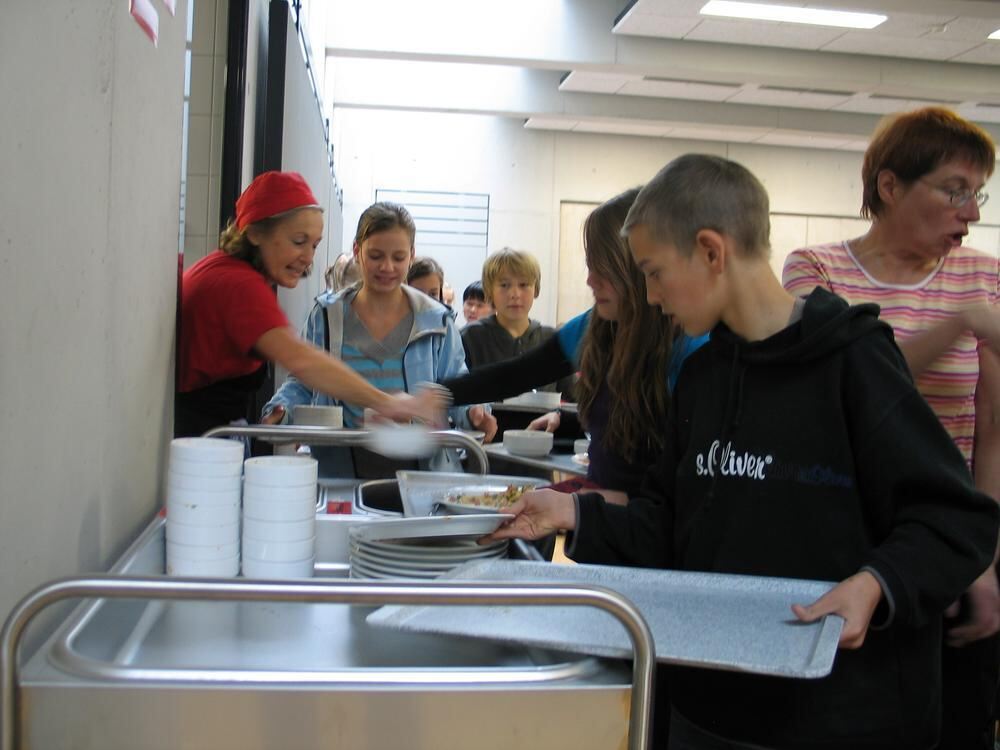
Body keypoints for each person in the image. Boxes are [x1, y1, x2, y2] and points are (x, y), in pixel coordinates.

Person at [486, 154, 999, 749]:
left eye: (653, 272)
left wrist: (876, 582)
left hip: (843, 715)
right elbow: (670, 525)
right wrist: (572, 512)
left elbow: (954, 520)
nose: (649, 297)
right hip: (711, 710)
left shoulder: (856, 364)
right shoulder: (704, 379)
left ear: (711, 251)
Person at [782, 106, 1000, 750]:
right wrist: (958, 323)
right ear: (889, 186)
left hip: (943, 539)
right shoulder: (813, 272)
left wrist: (985, 556)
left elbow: (992, 425)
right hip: (841, 539)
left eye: (978, 194)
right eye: (955, 190)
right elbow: (838, 388)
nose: (972, 213)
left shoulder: (984, 277)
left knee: (954, 721)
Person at [444, 188, 706, 498]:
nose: (590, 281)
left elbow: (680, 487)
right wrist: (439, 394)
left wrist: (580, 505)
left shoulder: (693, 347)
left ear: (636, 270)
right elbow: (516, 375)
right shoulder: (595, 324)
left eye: (602, 270)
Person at [175, 172, 441, 438]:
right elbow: (303, 364)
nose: (307, 257)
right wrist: (389, 403)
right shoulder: (244, 287)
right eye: (298, 241)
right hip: (200, 436)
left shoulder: (437, 318)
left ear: (411, 256)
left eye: (314, 245)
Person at [262, 201, 496, 475]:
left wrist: (475, 412)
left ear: (412, 256)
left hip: (422, 472)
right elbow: (304, 381)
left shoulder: (437, 320)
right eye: (375, 256)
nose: (387, 267)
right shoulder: (327, 316)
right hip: (342, 468)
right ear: (357, 251)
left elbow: (456, 384)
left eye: (398, 258)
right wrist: (282, 410)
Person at [461, 247, 574, 398]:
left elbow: (575, 398)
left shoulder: (554, 339)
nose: (514, 294)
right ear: (489, 291)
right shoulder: (469, 337)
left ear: (536, 289)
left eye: (523, 285)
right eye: (504, 285)